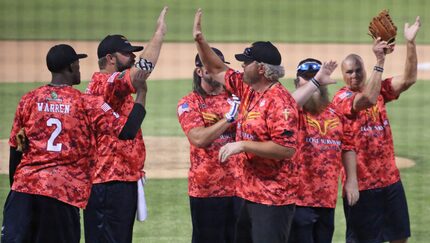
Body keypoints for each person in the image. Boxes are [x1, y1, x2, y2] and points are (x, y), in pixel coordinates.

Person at [192, 9, 337, 243]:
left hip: (273, 200)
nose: (241, 67)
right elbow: (218, 69)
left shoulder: (281, 102)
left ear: (260, 68)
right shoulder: (246, 88)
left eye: (246, 62)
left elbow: (285, 148)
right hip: (247, 194)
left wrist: (242, 145)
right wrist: (200, 40)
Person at [2, 44, 148, 243]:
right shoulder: (86, 102)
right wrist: (141, 94)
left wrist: (16, 189)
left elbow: (15, 149)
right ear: (71, 67)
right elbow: (127, 131)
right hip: (61, 195)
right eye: (77, 64)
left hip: (22, 194)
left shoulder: (28, 100)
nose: (79, 69)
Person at [332, 16, 421, 243]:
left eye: (357, 70)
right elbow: (368, 99)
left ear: (364, 70)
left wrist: (410, 43)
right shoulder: (341, 98)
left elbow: (409, 78)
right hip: (363, 185)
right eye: (349, 72)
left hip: (391, 181)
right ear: (342, 76)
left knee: (399, 237)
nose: (354, 75)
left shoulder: (378, 88)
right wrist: (379, 61)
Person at [83, 7, 167, 243]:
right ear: (110, 58)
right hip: (108, 183)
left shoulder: (115, 92)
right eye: (126, 54)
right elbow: (141, 74)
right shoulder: (106, 84)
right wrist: (159, 35)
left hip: (119, 180)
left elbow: (129, 128)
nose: (132, 58)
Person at [288, 58, 359, 243]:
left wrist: (351, 180)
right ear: (297, 82)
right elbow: (289, 104)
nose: (315, 81)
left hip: (327, 200)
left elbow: (348, 146)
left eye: (318, 77)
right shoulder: (294, 111)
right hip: (297, 200)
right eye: (307, 78)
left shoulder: (336, 112)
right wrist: (315, 82)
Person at [177, 48, 243, 243]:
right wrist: (228, 119)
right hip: (206, 191)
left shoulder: (237, 98)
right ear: (199, 71)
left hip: (240, 188)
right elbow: (198, 139)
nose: (216, 72)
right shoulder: (190, 103)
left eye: (219, 67)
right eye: (211, 68)